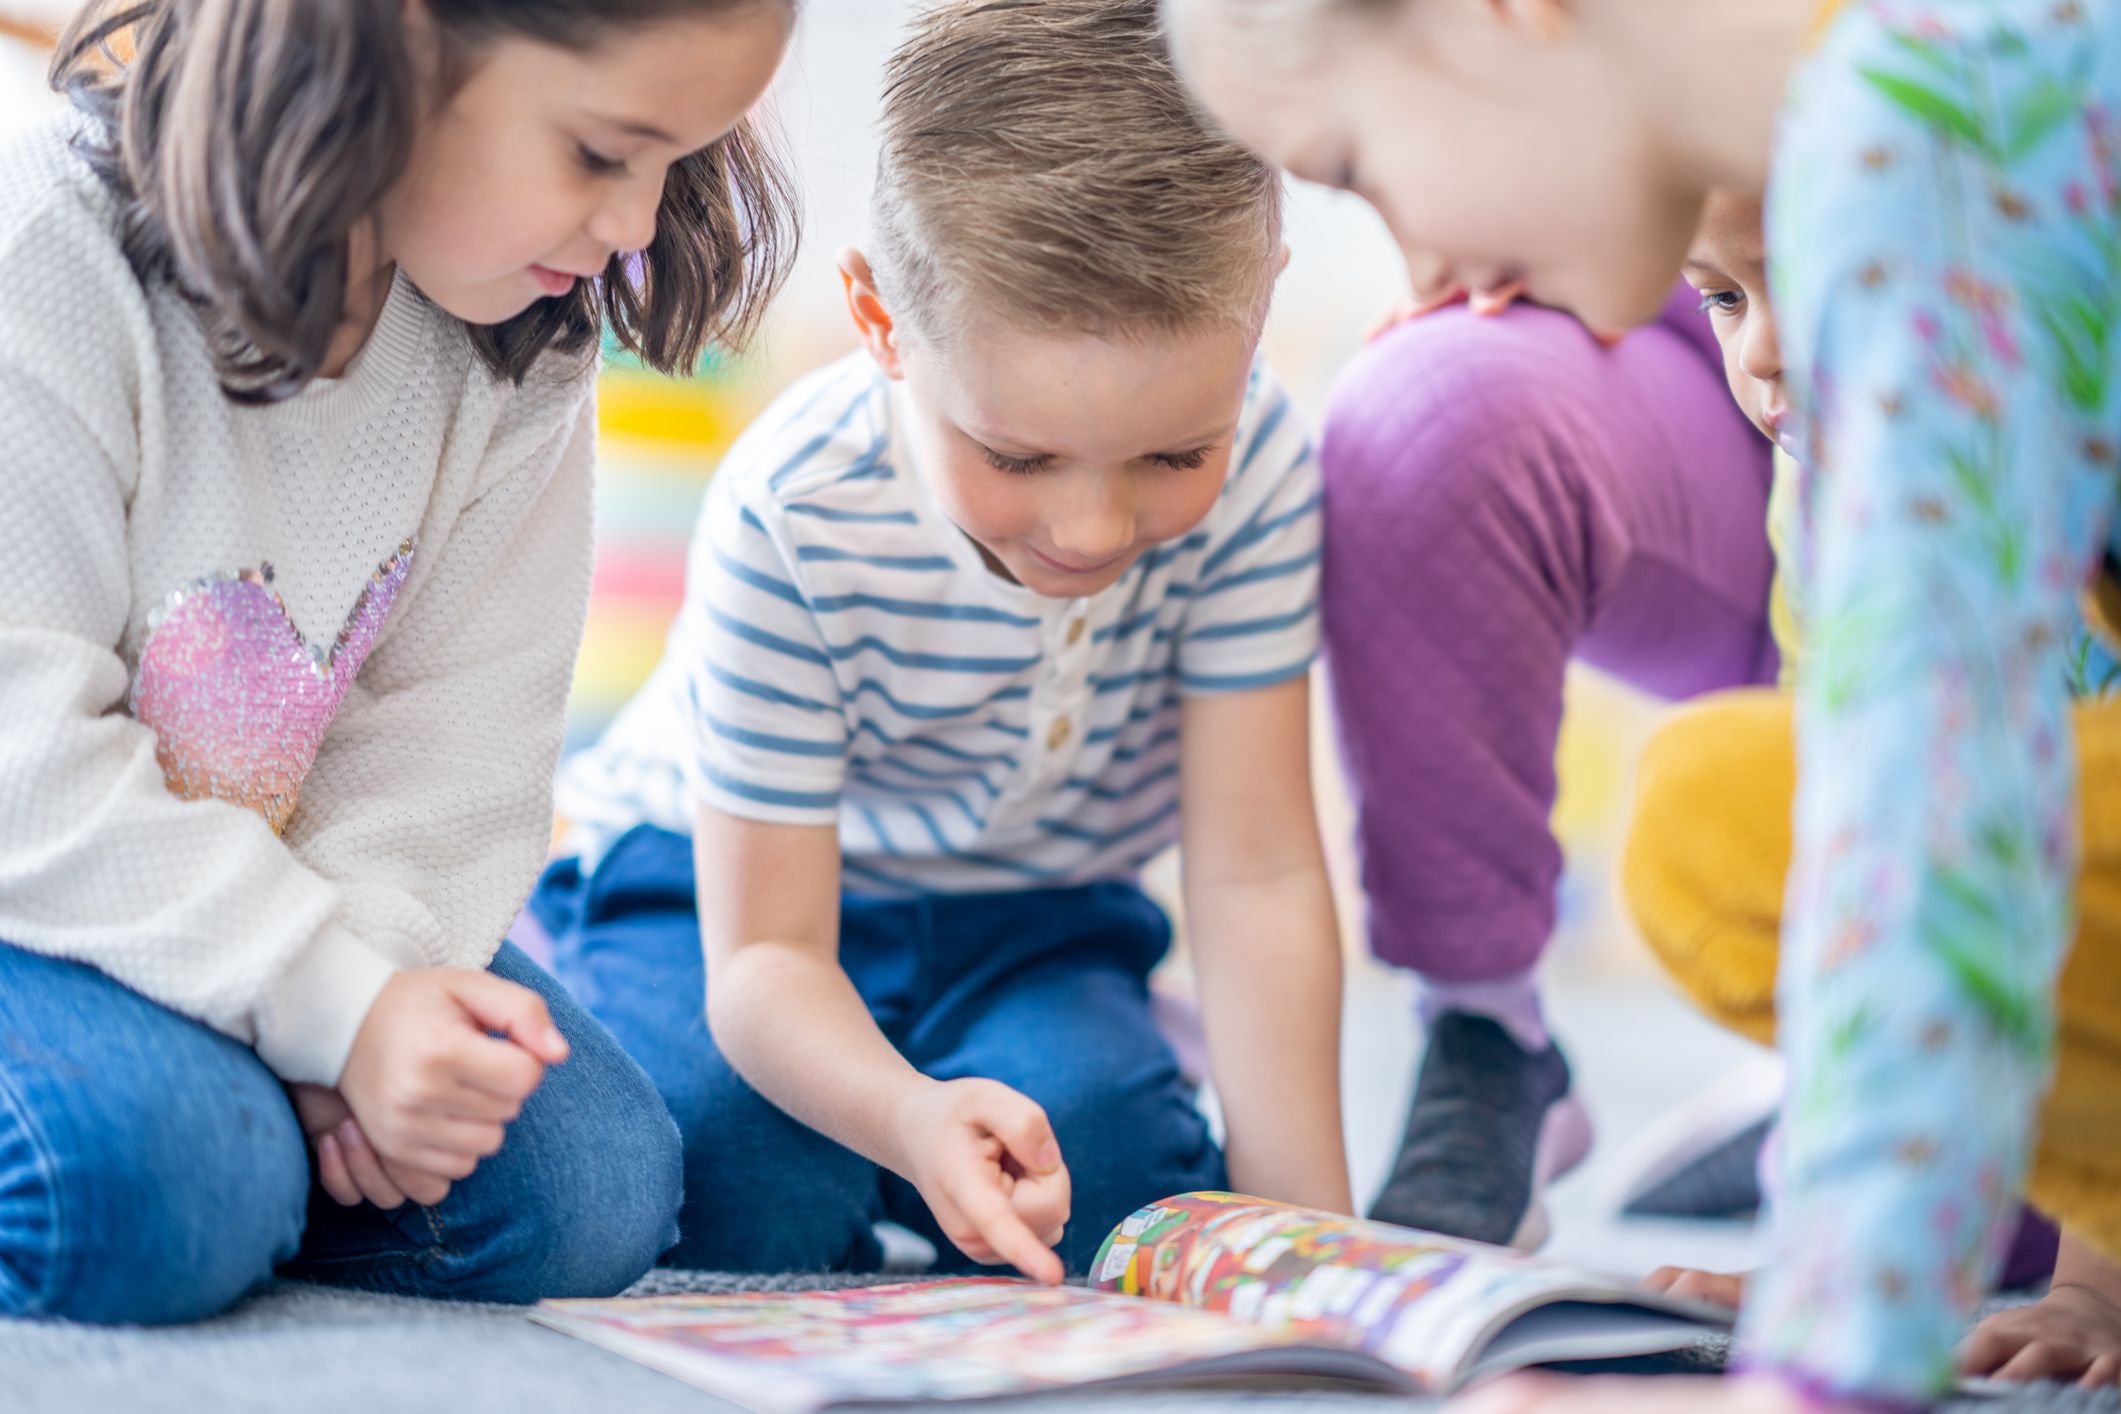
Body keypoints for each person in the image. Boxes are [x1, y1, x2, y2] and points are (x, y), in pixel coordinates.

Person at [1161, 0, 2121, 1408]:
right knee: (1733, 821)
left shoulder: (1924, 128)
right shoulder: (1878, 128)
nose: (1422, 265)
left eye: (1362, 167)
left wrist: (1817, 1372)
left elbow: (1945, 807)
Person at [0, 0, 797, 1325]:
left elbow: (450, 752)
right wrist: (325, 1005)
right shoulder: (51, 251)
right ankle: (223, 1150)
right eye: (603, 154)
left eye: (680, 162)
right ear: (387, 45)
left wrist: (364, 1002)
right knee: (163, 1174)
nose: (639, 230)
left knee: (594, 1178)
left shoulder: (519, 334)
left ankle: (247, 1139)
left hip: (263, 910)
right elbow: (21, 762)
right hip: (30, 876)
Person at [537, 0, 1351, 1285]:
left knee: (1117, 1179)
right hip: (717, 896)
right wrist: (907, 1118)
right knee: (747, 1186)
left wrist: (1316, 1238)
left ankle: (992, 1092)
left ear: (1260, 309)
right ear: (878, 320)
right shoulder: (794, 507)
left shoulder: (1265, 472)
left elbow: (1254, 872)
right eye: (1018, 454)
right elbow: (763, 959)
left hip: (1031, 915)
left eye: (1172, 453)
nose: (1091, 529)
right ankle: (580, 972)